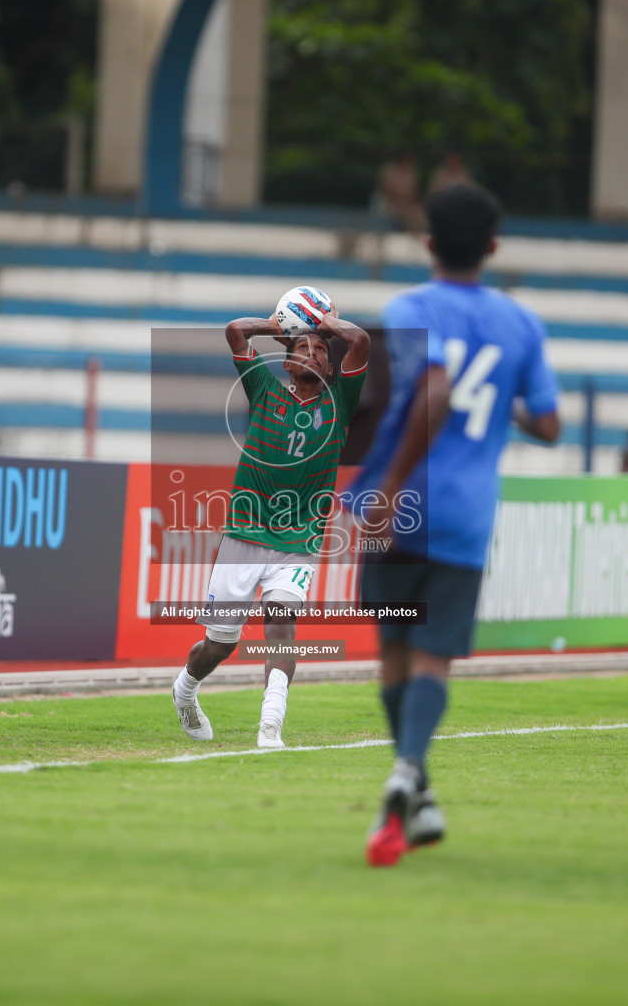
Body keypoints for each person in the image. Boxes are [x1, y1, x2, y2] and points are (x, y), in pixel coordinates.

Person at [344, 184, 561, 866]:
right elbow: (550, 423)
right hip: (467, 514)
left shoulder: (410, 307)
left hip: (404, 505)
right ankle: (416, 780)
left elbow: (433, 391)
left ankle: (413, 777)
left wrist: (388, 489)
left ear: (429, 242)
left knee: (394, 651)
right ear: (493, 248)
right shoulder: (523, 325)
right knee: (433, 654)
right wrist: (503, 408)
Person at [171, 300, 369, 749]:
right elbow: (235, 331)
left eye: (322, 351)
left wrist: (325, 325)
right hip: (243, 533)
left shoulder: (340, 404)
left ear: (333, 370)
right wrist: (282, 325)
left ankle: (271, 724)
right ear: (286, 358)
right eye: (303, 348)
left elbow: (361, 341)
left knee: (281, 624)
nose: (314, 353)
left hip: (298, 539)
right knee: (220, 644)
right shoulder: (263, 388)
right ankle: (185, 690)